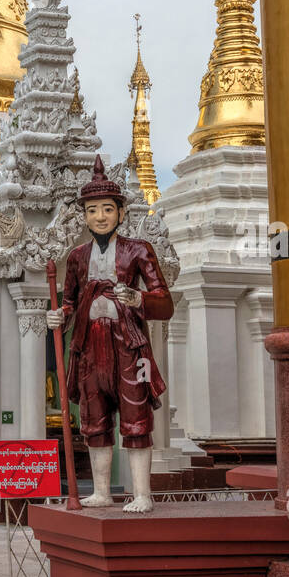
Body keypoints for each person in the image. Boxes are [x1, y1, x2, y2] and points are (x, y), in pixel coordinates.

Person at [46, 155, 173, 512]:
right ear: (83, 215)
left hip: (128, 344)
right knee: (94, 418)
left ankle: (142, 494)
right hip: (88, 345)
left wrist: (137, 297)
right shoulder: (76, 257)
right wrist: (60, 316)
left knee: (135, 417)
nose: (99, 217)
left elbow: (164, 302)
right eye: (91, 210)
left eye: (106, 209)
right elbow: (69, 301)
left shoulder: (138, 250)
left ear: (120, 212)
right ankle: (101, 491)